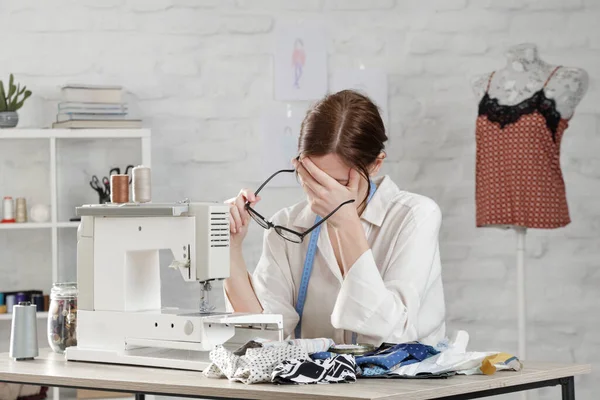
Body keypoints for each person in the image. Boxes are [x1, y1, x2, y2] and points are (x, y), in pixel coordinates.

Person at [224, 90, 446, 346]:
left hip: (400, 381)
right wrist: (229, 249)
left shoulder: (415, 216)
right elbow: (262, 334)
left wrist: (347, 222)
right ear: (298, 164)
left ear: (376, 164)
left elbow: (391, 331)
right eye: (313, 178)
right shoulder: (285, 225)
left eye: (339, 183)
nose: (324, 192)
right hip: (320, 385)